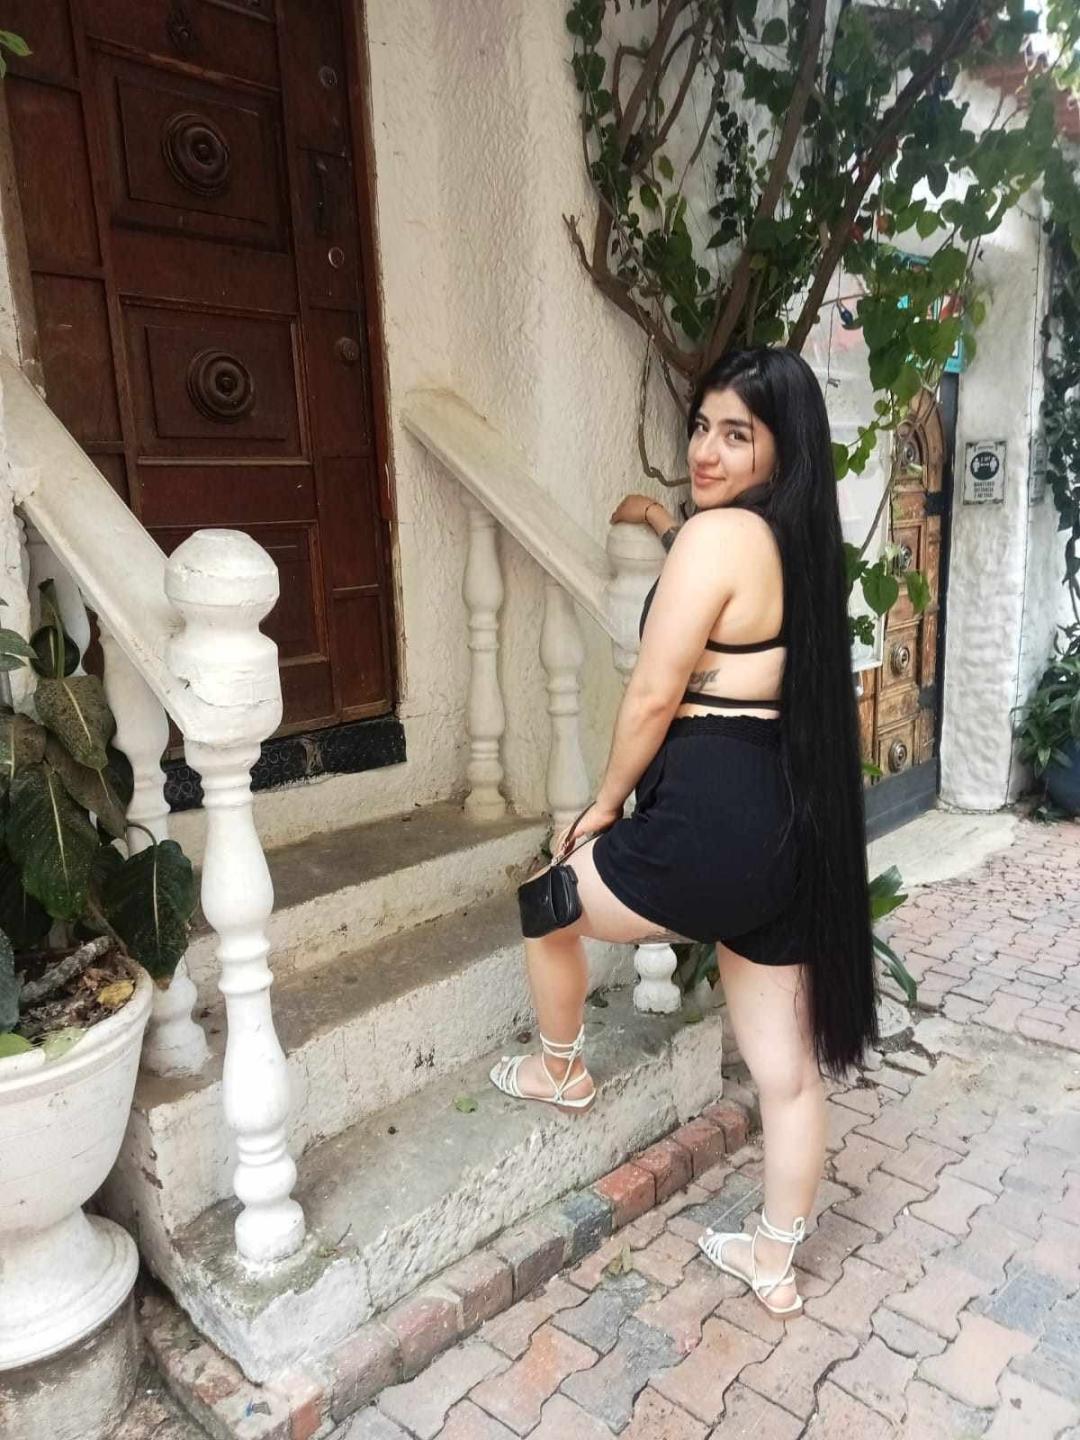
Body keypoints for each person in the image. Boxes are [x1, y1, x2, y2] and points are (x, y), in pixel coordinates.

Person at [490, 346, 877, 1316]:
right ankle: (773, 1261)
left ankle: (560, 1068)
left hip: (707, 824)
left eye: (735, 434)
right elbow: (727, 598)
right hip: (784, 827)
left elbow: (655, 691)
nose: (705, 450)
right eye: (702, 426)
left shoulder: (720, 537)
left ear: (779, 448)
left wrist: (602, 806)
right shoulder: (797, 541)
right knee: (786, 1073)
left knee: (545, 900)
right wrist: (669, 525)